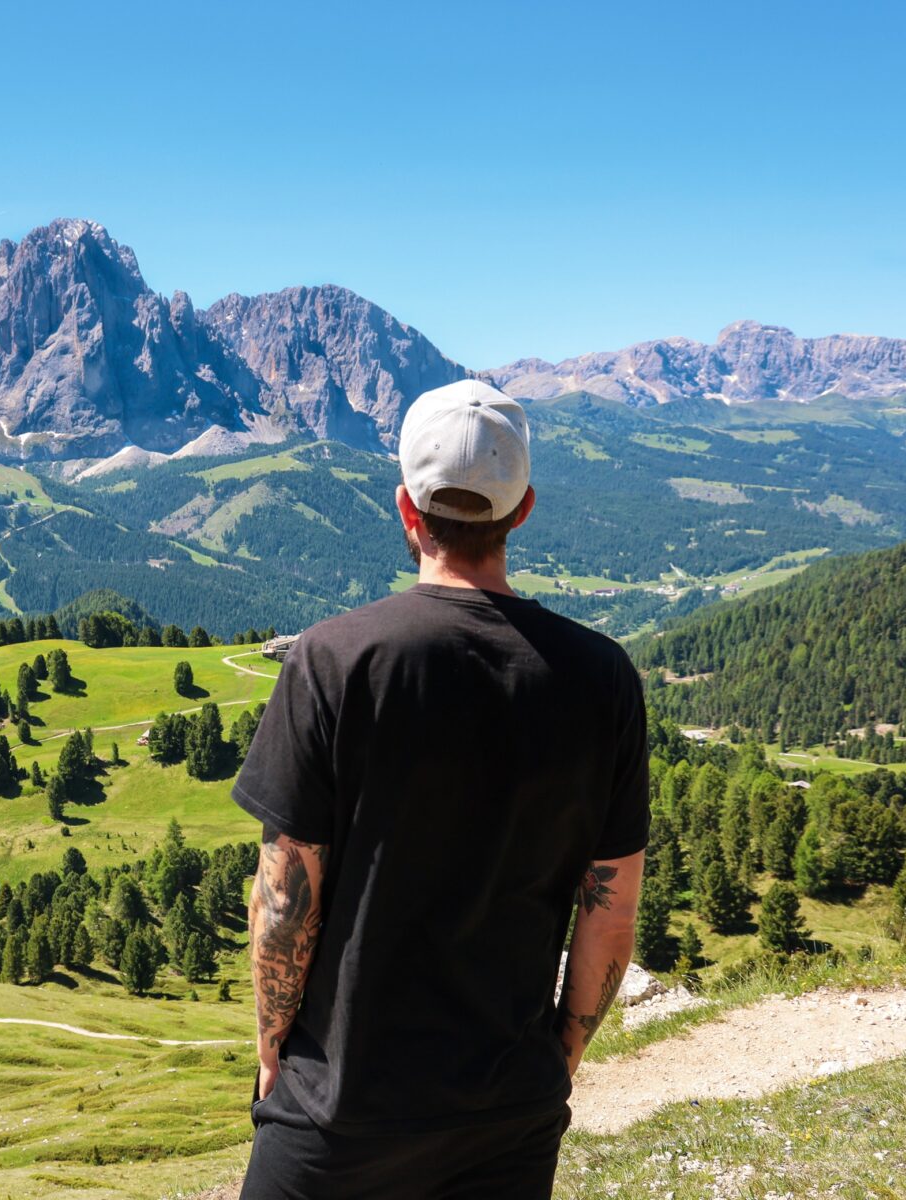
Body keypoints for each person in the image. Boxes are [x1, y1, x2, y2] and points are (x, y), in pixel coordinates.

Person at [232, 379, 649, 1198]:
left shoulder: (334, 660)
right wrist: (556, 1059)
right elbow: (614, 910)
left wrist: (272, 1042)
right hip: (507, 1116)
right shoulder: (603, 679)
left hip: (339, 1112)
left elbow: (285, 901)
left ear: (405, 508)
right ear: (522, 510)